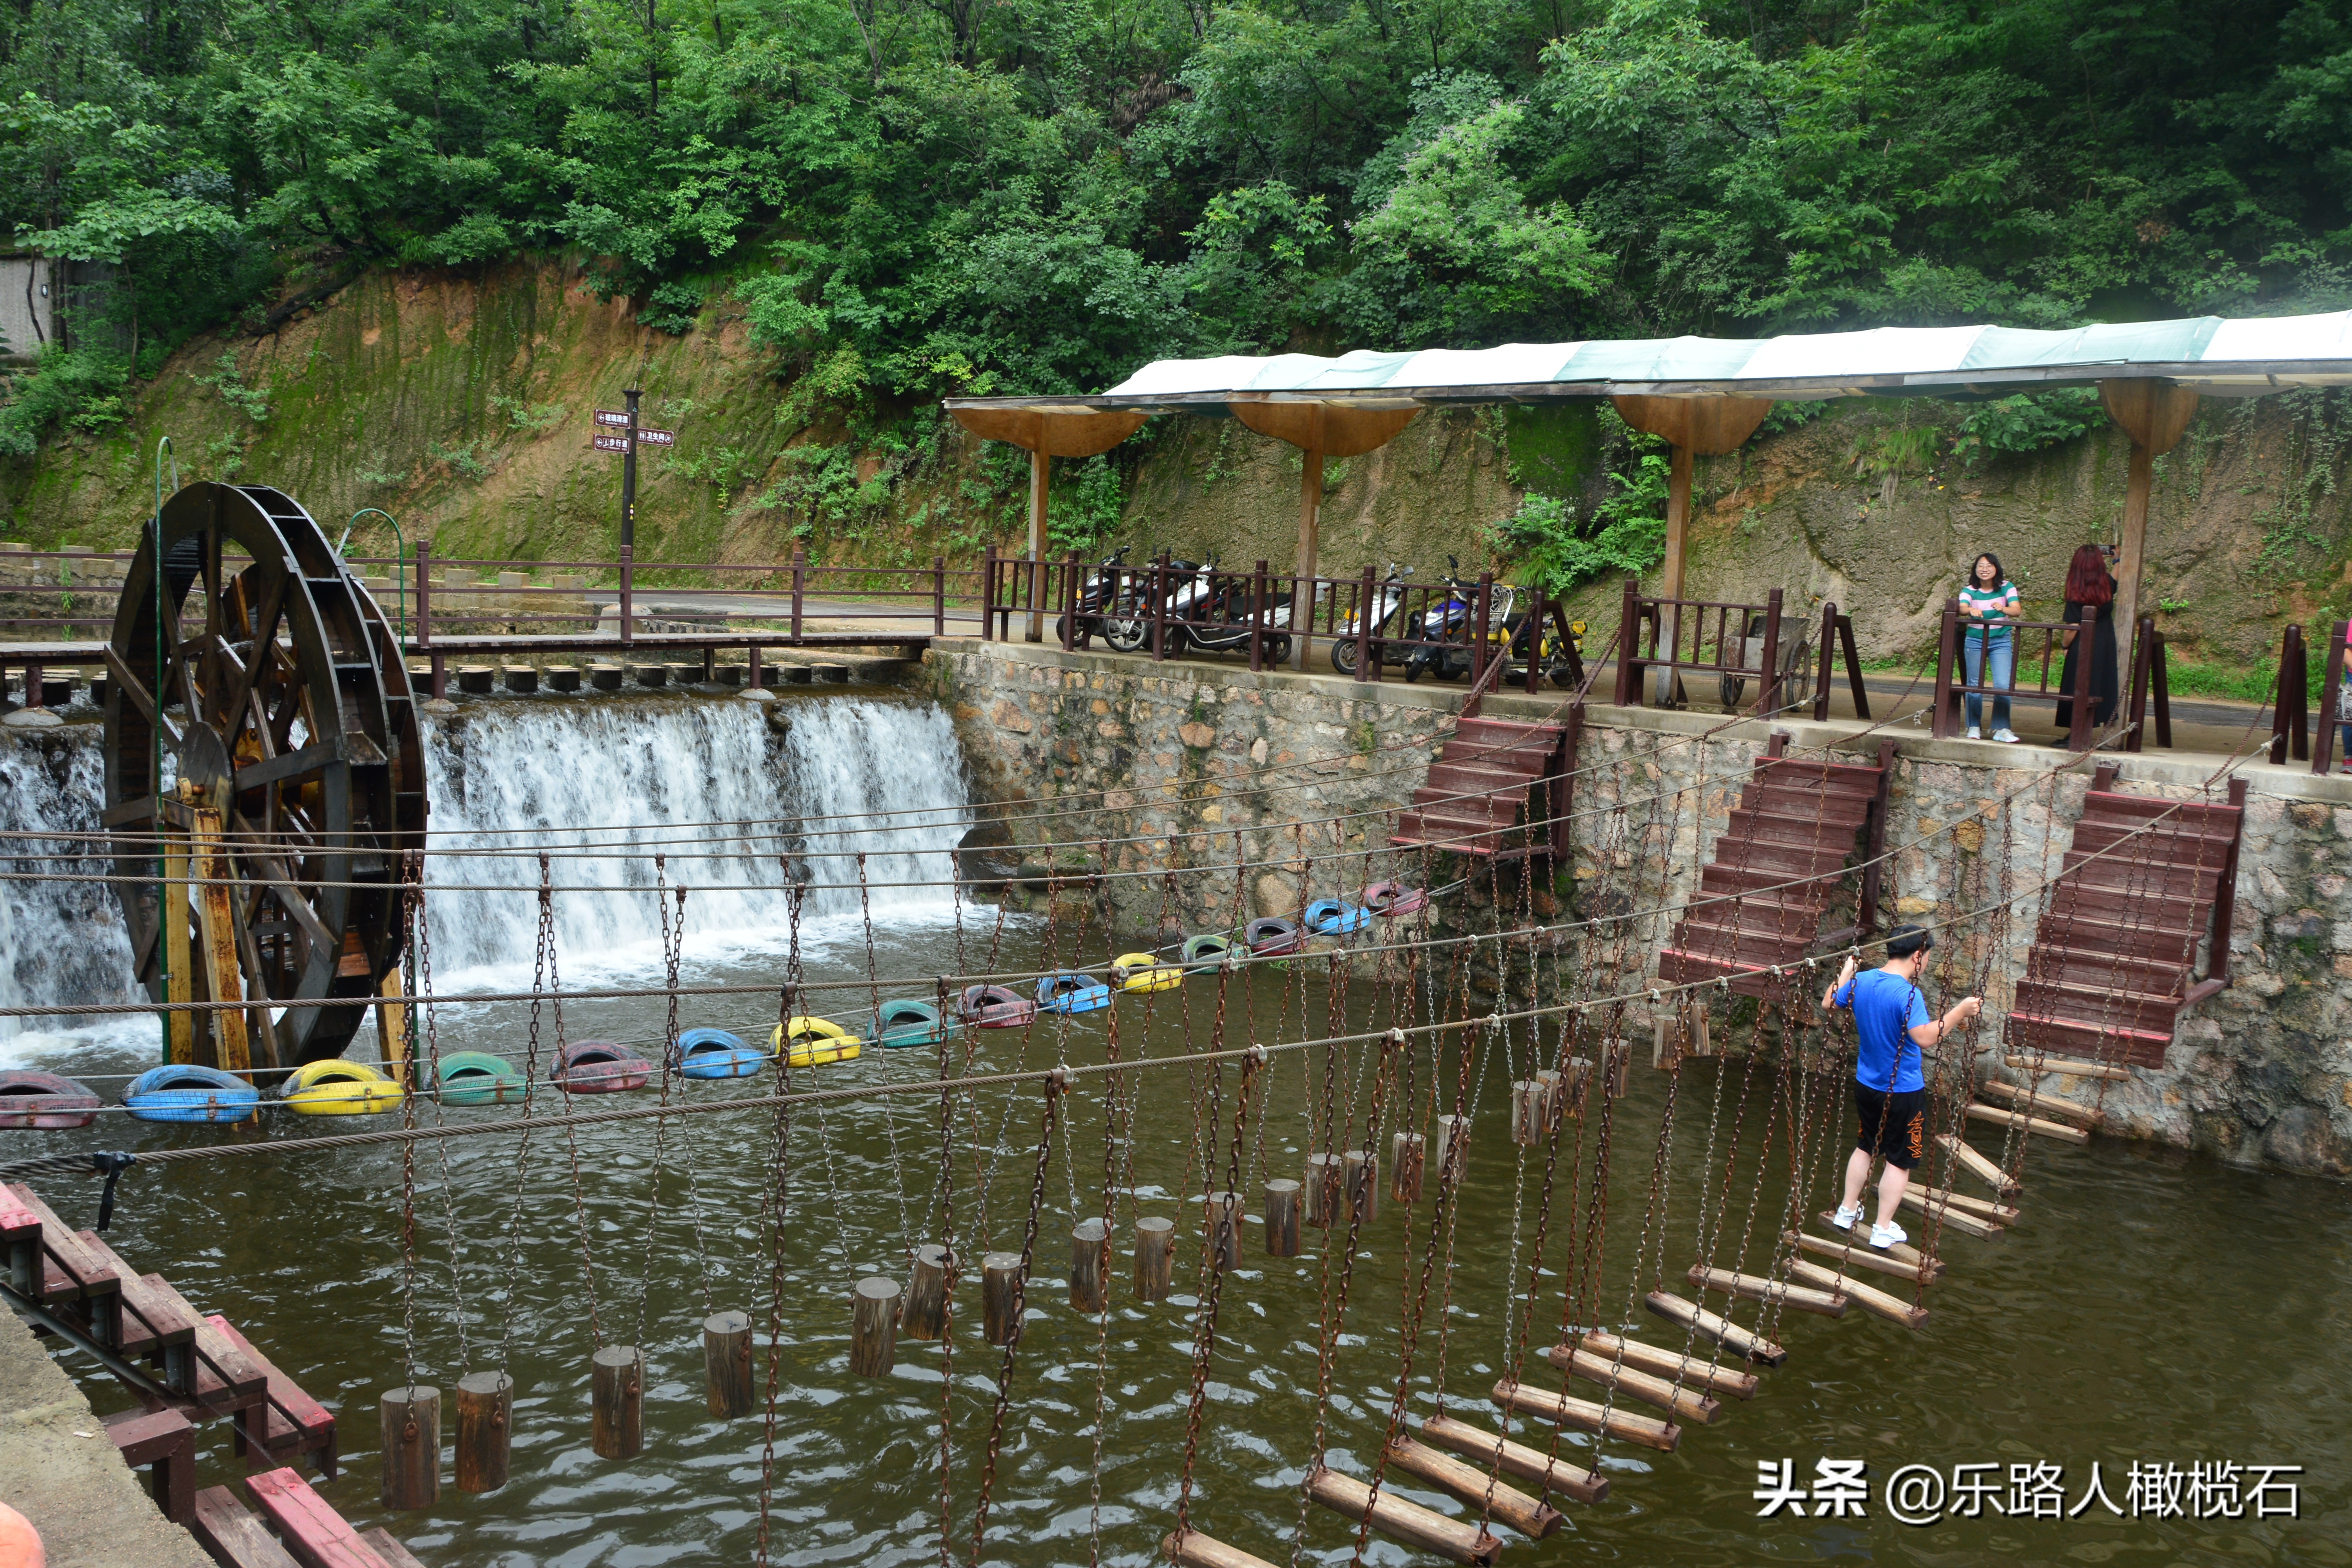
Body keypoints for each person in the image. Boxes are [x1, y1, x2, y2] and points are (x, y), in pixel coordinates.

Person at [1820, 924, 1983, 1249]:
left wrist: (1847, 970)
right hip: (1903, 1092)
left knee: (1866, 1147)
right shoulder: (1908, 994)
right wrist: (1960, 1011)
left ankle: (1847, 1211)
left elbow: (1829, 1003)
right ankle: (1882, 1228)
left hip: (1867, 1085)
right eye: (1929, 957)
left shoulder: (1862, 981)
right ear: (1918, 956)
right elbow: (1925, 1038)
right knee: (1899, 1159)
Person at [2053, 543, 2119, 731]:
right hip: (2104, 642)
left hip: (2082, 643)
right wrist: (2117, 560)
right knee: (2100, 683)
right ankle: (2090, 726)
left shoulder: (2077, 589)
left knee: (2076, 685)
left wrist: (2065, 646)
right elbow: (2115, 578)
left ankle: (2075, 733)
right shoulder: (2106, 584)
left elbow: (2072, 627)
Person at [1957, 551, 2019, 743]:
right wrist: (1971, 609)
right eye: (1980, 566)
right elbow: (1962, 607)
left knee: (2002, 684)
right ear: (1975, 570)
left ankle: (2002, 728)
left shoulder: (2007, 587)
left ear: (1996, 569)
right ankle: (1974, 726)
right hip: (1975, 640)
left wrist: (2003, 609)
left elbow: (2016, 610)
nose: (1985, 570)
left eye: (1989, 566)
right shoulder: (1970, 590)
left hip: (2001, 640)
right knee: (1974, 684)